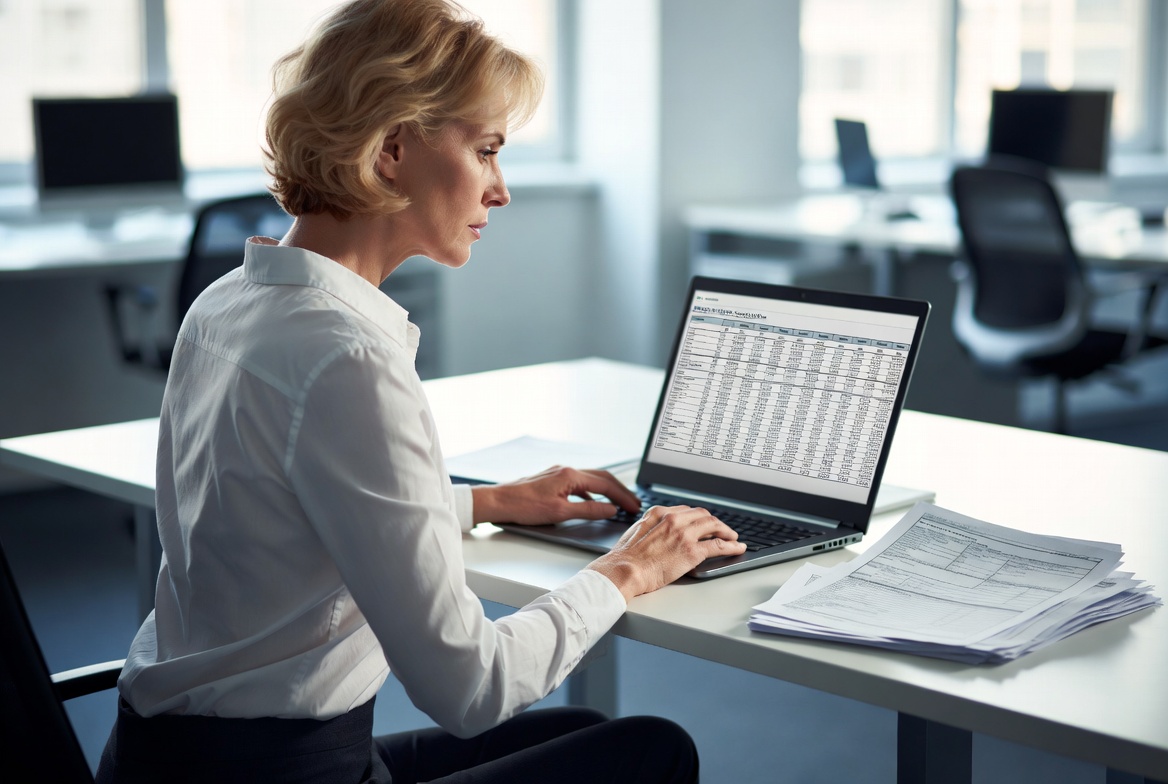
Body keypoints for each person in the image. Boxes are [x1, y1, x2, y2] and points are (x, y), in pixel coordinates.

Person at [95, 1, 746, 781]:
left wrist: (486, 502)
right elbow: (473, 688)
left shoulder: (229, 300)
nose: (500, 190)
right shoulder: (346, 357)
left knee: (579, 727)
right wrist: (628, 568)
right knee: (651, 751)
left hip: (159, 759)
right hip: (278, 773)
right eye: (487, 150)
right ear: (393, 147)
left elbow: (287, 518)